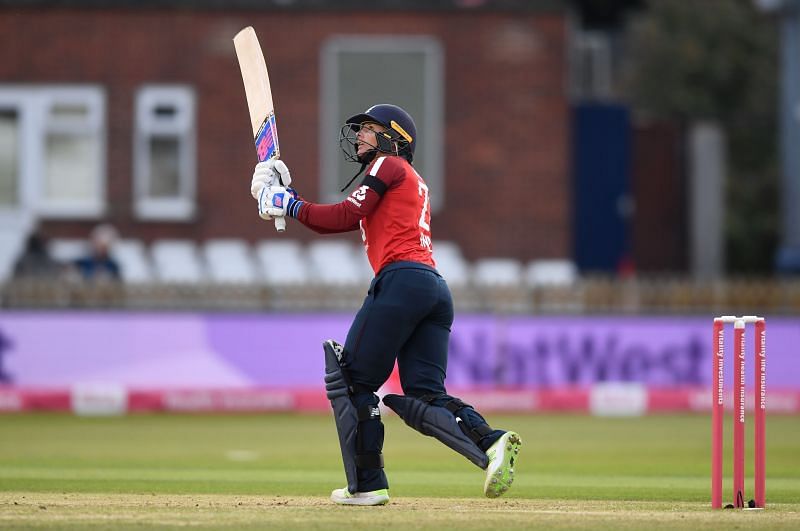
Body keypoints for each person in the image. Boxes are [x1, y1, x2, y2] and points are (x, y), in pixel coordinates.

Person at [250, 104, 521, 506]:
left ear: (394, 138)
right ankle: (492, 440)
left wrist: (288, 203)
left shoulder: (388, 165)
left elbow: (342, 216)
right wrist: (284, 196)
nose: (360, 136)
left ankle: (368, 484)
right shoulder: (406, 179)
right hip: (433, 289)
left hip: (401, 282)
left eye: (370, 129)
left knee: (353, 382)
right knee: (425, 395)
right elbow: (337, 216)